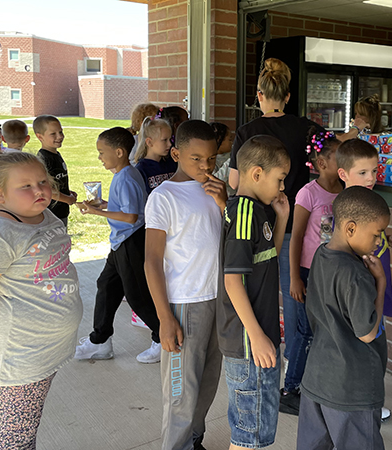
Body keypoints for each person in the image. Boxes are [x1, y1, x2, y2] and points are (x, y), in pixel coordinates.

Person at [228, 58, 368, 385]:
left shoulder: (246, 132)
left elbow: (235, 183)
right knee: (295, 299)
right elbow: (337, 146)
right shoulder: (304, 127)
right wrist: (358, 129)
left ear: (259, 95)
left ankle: (269, 359)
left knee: (261, 291)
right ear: (288, 97)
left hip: (256, 227)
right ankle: (296, 368)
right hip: (297, 224)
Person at [0, 152, 83, 450]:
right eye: (25, 186)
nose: (39, 190)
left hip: (45, 350)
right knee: (15, 439)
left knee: (26, 430)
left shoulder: (43, 213)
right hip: (19, 356)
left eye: (42, 182)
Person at [144, 120, 227, 450]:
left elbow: (230, 239)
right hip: (184, 303)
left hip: (217, 299)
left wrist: (225, 204)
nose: (205, 166)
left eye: (211, 158)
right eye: (196, 159)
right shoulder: (164, 197)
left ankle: (194, 441)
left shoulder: (216, 190)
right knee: (181, 392)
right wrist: (165, 318)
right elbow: (151, 260)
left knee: (207, 383)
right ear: (176, 153)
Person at [296, 186, 389, 450]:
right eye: (376, 234)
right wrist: (380, 281)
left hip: (317, 378)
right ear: (350, 228)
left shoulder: (321, 255)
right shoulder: (357, 275)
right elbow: (367, 332)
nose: (378, 242)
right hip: (352, 387)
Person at [218, 135, 290, 450]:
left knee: (255, 430)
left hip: (257, 335)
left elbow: (267, 258)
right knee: (250, 434)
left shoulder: (257, 210)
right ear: (257, 174)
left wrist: (283, 218)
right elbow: (232, 280)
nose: (282, 187)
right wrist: (257, 336)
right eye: (280, 179)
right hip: (249, 343)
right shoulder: (245, 212)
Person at [74, 127, 162, 364]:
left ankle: (163, 338)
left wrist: (95, 212)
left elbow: (132, 216)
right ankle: (100, 341)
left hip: (130, 241)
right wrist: (104, 204)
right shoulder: (125, 174)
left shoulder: (125, 178)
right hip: (121, 242)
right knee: (107, 285)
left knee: (137, 295)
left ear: (120, 152)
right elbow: (124, 207)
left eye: (102, 152)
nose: (99, 157)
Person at [336, 138, 392, 421]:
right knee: (365, 346)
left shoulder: (370, 203)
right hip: (363, 292)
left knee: (377, 345)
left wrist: (388, 238)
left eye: (374, 172)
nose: (371, 178)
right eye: (362, 173)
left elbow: (371, 235)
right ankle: (366, 401)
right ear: (343, 175)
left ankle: (372, 398)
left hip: (378, 285)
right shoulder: (342, 209)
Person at [281, 129, 342, 415]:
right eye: (337, 157)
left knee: (326, 331)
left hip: (334, 272)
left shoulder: (347, 192)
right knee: (305, 332)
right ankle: (291, 388)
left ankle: (317, 383)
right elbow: (296, 237)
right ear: (320, 163)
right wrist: (294, 277)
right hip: (308, 272)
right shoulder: (309, 193)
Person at [34, 115, 76, 227]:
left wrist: (67, 192)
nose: (60, 136)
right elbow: (46, 189)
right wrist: (67, 199)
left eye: (61, 132)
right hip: (51, 214)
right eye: (53, 134)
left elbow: (56, 181)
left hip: (61, 212)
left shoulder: (56, 155)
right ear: (40, 136)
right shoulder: (43, 159)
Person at [134, 117, 176, 194]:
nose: (170, 144)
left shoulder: (172, 163)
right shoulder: (141, 170)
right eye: (164, 140)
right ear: (149, 142)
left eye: (170, 139)